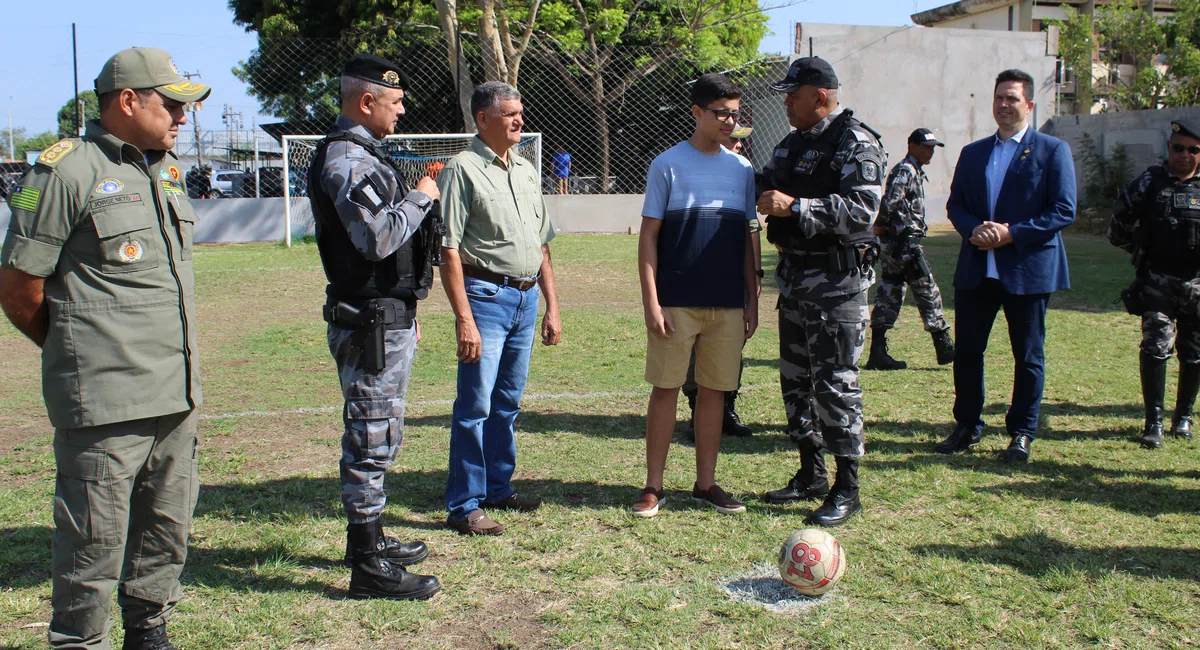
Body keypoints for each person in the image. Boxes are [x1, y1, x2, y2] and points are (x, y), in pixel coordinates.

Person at [0, 47, 209, 650]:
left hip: (176, 388)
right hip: (106, 399)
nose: (182, 118)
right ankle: (79, 641)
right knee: (93, 540)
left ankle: (148, 629)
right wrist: (76, 351)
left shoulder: (162, 168)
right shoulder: (64, 170)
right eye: (171, 105)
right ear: (128, 101)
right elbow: (18, 287)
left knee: (166, 526)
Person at [307, 53, 442, 601]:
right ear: (366, 102)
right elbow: (377, 239)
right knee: (370, 436)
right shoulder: (347, 161)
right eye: (395, 100)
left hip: (384, 317)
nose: (403, 109)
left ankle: (371, 538)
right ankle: (367, 566)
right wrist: (423, 196)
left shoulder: (364, 155)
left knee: (381, 433)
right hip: (368, 324)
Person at [755, 57, 884, 527]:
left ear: (822, 97)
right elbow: (765, 184)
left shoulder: (856, 142)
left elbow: (863, 209)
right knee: (795, 382)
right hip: (794, 282)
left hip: (837, 286)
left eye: (794, 94)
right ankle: (810, 471)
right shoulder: (793, 145)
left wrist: (796, 206)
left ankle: (847, 486)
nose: (786, 102)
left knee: (836, 384)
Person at [632, 73, 758, 518]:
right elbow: (649, 236)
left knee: (715, 392)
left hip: (726, 302)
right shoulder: (667, 163)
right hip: (675, 300)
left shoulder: (742, 169)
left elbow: (748, 237)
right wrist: (651, 298)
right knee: (665, 388)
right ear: (696, 113)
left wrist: (752, 297)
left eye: (735, 114)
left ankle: (707, 484)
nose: (729, 122)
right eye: (721, 113)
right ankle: (653, 486)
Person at [439, 81, 562, 536]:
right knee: (475, 405)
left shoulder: (527, 170)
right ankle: (465, 505)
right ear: (483, 119)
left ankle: (497, 488)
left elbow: (542, 244)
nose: (519, 121)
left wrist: (552, 306)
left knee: (507, 403)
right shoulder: (461, 170)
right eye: (510, 114)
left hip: (526, 299)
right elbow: (449, 250)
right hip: (485, 300)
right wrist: (464, 319)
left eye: (521, 112)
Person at [934, 69, 1076, 462]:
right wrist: (973, 228)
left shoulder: (1051, 150)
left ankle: (1022, 433)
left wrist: (1013, 233)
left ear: (1029, 105)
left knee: (1028, 355)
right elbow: (956, 206)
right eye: (999, 98)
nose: (1004, 105)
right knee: (967, 353)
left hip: (1027, 269)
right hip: (978, 269)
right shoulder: (974, 153)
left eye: (1012, 98)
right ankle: (967, 425)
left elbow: (1063, 210)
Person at [1108, 119, 1200, 449]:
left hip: (1197, 284)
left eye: (1193, 149)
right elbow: (1118, 223)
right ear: (1168, 148)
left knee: (1194, 352)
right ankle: (1154, 421)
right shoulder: (1151, 181)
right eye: (1178, 148)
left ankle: (1184, 417)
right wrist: (1140, 248)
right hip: (1158, 279)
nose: (1185, 155)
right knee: (1156, 348)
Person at [681, 123, 761, 442]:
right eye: (734, 139)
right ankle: (696, 407)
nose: (739, 145)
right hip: (697, 273)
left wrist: (755, 277)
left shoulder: (743, 172)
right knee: (695, 345)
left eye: (741, 141)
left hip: (733, 274)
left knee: (731, 343)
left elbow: (751, 228)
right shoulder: (689, 168)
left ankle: (726, 406)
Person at [865, 127, 955, 370]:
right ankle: (943, 344)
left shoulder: (913, 169)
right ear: (912, 146)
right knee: (927, 288)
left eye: (933, 148)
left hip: (900, 241)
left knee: (890, 292)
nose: (931, 152)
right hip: (903, 242)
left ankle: (878, 351)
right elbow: (890, 201)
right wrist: (881, 227)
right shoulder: (905, 169)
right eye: (926, 147)